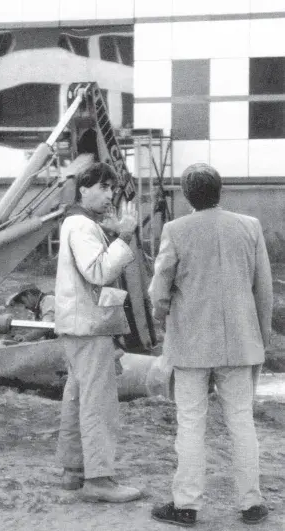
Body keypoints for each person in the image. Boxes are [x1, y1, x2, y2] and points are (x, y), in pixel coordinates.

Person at [148, 163, 273, 527]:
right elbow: (263, 288)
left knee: (190, 423)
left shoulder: (175, 230)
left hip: (191, 344)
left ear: (186, 196)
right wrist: (260, 338)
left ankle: (186, 505)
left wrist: (161, 315)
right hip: (240, 342)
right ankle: (251, 504)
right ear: (221, 191)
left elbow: (160, 287)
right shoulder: (249, 227)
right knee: (241, 421)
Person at [54, 161, 142, 502]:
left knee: (77, 397)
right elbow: (98, 271)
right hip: (88, 325)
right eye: (103, 187)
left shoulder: (78, 222)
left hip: (78, 325)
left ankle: (73, 470)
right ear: (84, 188)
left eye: (111, 188)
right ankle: (99, 479)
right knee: (99, 402)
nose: (109, 194)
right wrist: (124, 237)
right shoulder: (81, 226)